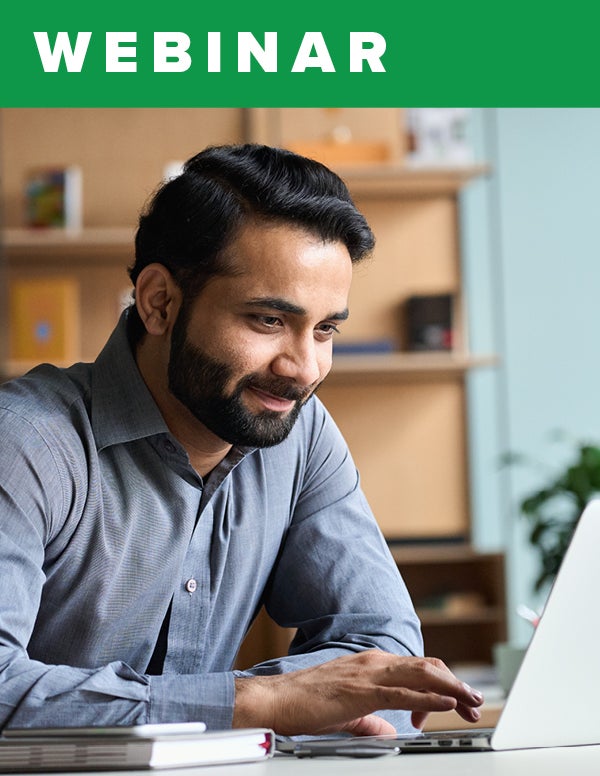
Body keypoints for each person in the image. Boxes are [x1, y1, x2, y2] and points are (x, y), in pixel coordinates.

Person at [0, 143, 483, 735]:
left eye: (325, 328)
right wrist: (257, 703)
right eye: (269, 321)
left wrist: (294, 700)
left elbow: (384, 650)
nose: (304, 368)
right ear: (159, 303)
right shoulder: (24, 443)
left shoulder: (301, 434)